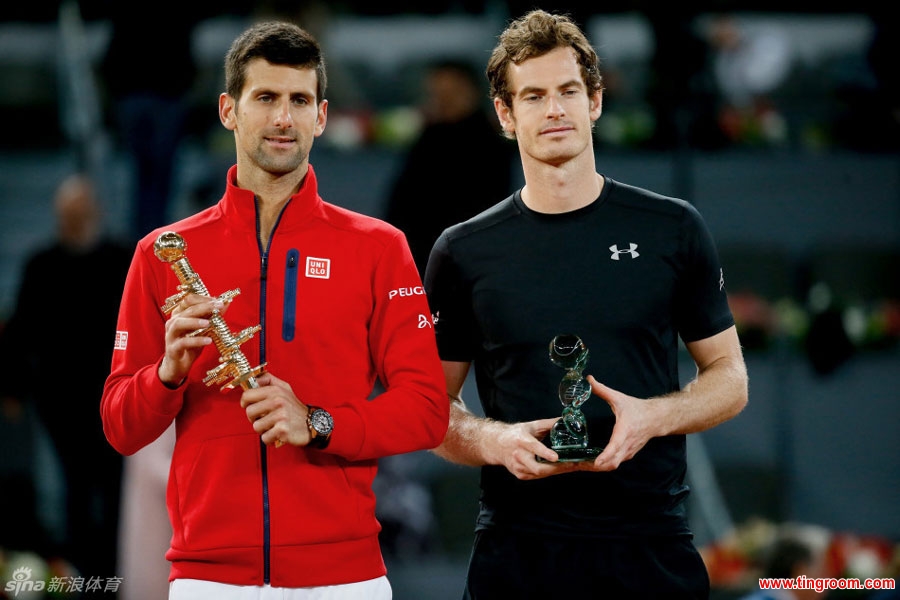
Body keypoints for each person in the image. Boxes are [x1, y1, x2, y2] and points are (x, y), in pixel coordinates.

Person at [99, 20, 448, 599]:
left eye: (299, 100)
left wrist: (317, 422)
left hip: (346, 579)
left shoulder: (378, 247)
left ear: (322, 116)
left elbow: (427, 409)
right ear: (228, 110)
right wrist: (167, 374)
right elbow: (119, 426)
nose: (284, 118)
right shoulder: (162, 253)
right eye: (265, 98)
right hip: (209, 579)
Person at [424, 10, 749, 599]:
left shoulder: (672, 228)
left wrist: (654, 417)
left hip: (650, 546)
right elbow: (431, 411)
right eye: (534, 95)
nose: (554, 110)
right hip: (518, 553)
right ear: (505, 114)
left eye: (569, 91)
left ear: (594, 102)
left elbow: (730, 379)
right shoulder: (463, 251)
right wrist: (493, 442)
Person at [0, 173, 131, 581]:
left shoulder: (120, 260)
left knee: (115, 493)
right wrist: (12, 389)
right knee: (71, 489)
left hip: (114, 398)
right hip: (61, 403)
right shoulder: (42, 265)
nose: (76, 220)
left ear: (96, 212)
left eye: (82, 212)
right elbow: (20, 331)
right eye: (68, 214)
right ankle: (76, 573)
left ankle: (111, 573)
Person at [383, 58, 515, 278]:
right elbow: (400, 201)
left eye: (450, 93)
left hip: (469, 263)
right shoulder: (427, 138)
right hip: (416, 260)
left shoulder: (491, 145)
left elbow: (487, 209)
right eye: (436, 94)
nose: (443, 101)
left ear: (472, 92)